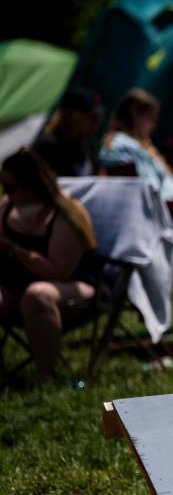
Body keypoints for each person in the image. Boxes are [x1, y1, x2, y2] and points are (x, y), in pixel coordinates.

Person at [0, 149, 97, 381]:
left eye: (12, 188)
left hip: (73, 286)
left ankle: (46, 377)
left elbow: (60, 271)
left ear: (33, 185)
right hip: (18, 285)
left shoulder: (65, 214)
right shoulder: (7, 208)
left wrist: (15, 250)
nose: (7, 193)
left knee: (37, 295)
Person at [99, 88, 173, 202]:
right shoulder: (122, 144)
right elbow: (150, 191)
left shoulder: (139, 145)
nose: (154, 125)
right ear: (135, 114)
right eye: (150, 118)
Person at [33, 88, 104, 177]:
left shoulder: (89, 147)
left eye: (98, 118)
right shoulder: (47, 148)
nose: (97, 123)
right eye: (92, 118)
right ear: (72, 116)